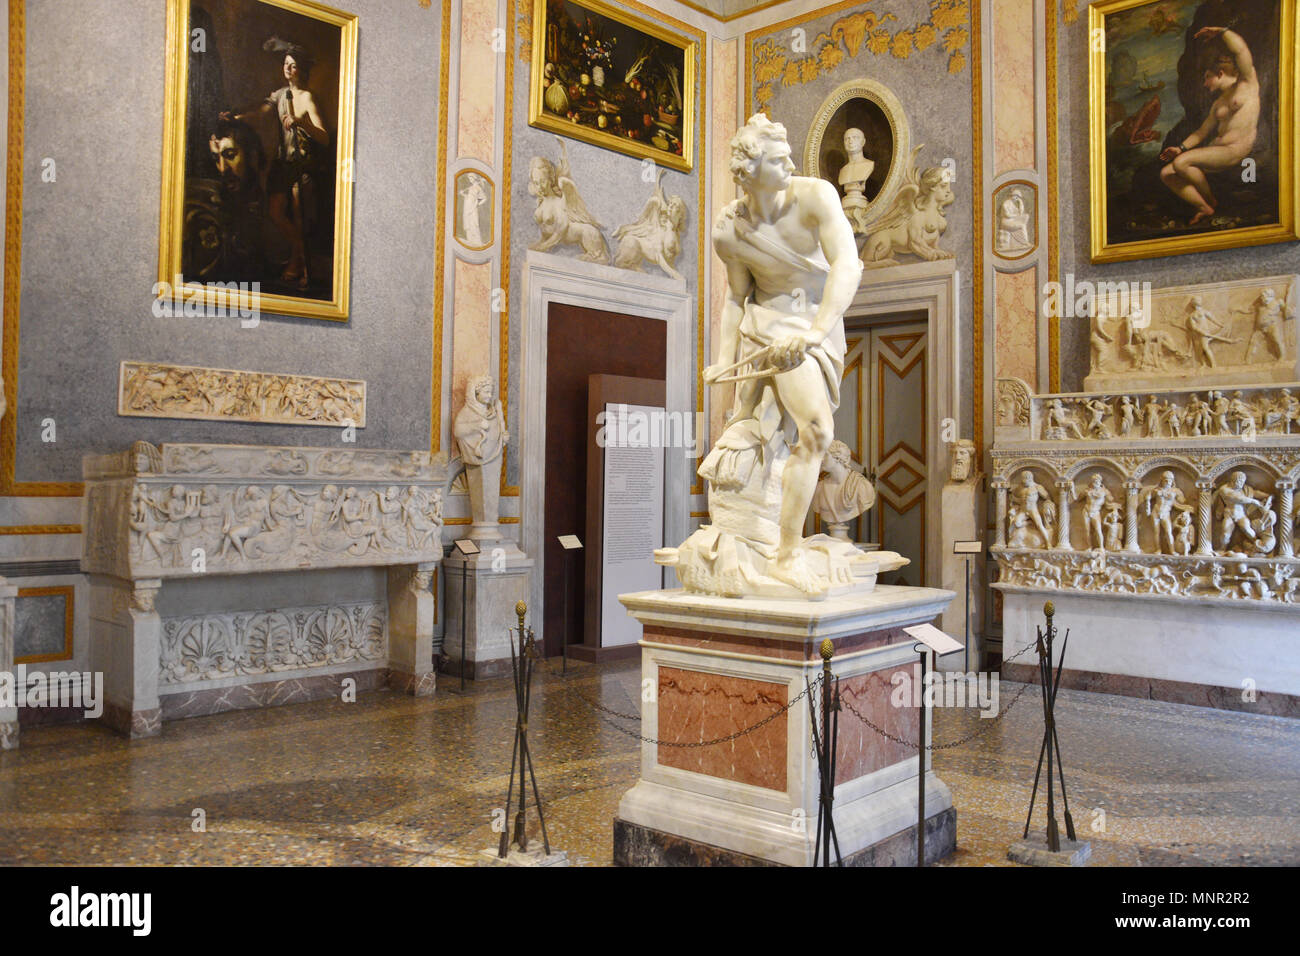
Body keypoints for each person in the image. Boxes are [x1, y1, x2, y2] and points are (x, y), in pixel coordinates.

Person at [704, 114, 862, 594]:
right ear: (748, 172)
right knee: (778, 431)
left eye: (788, 153)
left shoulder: (816, 196)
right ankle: (772, 549)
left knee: (812, 432)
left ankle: (787, 549)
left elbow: (847, 265)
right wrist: (720, 357)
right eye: (777, 160)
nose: (791, 163)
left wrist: (815, 332)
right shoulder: (729, 231)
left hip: (813, 325)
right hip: (764, 327)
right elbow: (736, 298)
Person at [223, 39, 329, 290]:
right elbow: (261, 110)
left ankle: (299, 265)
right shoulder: (281, 95)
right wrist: (236, 116)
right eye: (286, 64)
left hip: (303, 164)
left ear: (302, 69)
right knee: (275, 211)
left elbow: (324, 136)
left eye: (293, 66)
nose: (288, 69)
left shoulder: (307, 98)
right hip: (283, 163)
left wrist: (302, 123)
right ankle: (300, 254)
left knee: (299, 215)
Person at [1158, 27, 1260, 226]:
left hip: (1235, 149)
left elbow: (1241, 51)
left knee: (1181, 163)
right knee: (1167, 173)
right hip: (1217, 150)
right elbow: (1201, 132)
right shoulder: (1218, 104)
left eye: (1207, 77)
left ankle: (1212, 201)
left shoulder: (1247, 83)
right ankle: (1204, 207)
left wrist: (1222, 32)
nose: (1205, 84)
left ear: (1220, 73)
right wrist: (1180, 148)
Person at [837, 127, 874, 233]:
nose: (850, 141)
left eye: (855, 138)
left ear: (863, 142)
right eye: (847, 139)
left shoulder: (869, 165)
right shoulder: (843, 170)